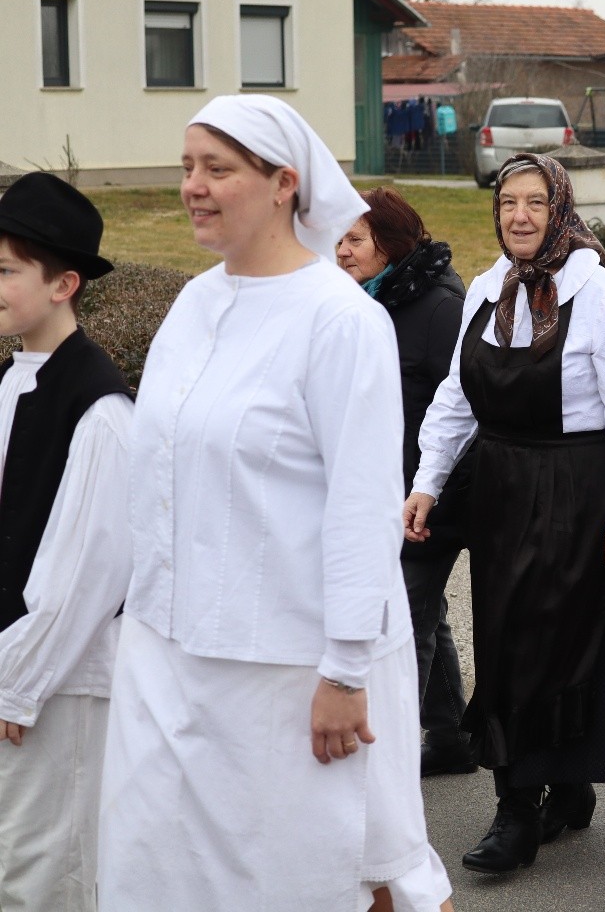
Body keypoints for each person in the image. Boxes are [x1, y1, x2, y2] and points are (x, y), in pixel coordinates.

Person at [97, 94, 455, 911]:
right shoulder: (194, 303)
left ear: (285, 183)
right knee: (162, 865)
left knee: (308, 873)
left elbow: (362, 507)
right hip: (169, 650)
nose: (193, 185)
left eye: (217, 169)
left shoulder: (340, 322)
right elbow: (158, 476)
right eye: (188, 166)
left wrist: (344, 670)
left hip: (290, 668)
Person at [404, 153, 605, 877]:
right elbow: (455, 400)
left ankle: (557, 787)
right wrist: (428, 482)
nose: (519, 215)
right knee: (507, 645)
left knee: (564, 646)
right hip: (504, 487)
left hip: (578, 490)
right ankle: (522, 801)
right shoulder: (487, 290)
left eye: (534, 203)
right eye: (508, 201)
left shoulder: (603, 297)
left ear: (559, 211)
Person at [0, 173, 132, 912]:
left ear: (64, 284)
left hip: (58, 686)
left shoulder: (100, 409)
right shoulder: (15, 381)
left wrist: (16, 680)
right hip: (15, 675)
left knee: (50, 874)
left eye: (6, 270)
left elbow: (89, 570)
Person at [337, 187, 476, 777]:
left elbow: (465, 406)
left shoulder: (440, 308)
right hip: (390, 491)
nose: (342, 251)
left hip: (435, 494)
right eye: (338, 239)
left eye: (356, 240)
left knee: (402, 619)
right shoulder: (369, 300)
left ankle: (385, 762)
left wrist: (429, 490)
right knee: (425, 612)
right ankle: (449, 738)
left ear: (391, 245)